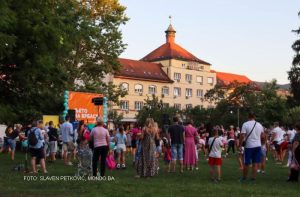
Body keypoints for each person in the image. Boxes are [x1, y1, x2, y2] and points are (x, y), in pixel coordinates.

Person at [239, 112, 264, 182]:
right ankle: (253, 178)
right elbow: (262, 136)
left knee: (246, 163)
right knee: (255, 163)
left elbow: (242, 136)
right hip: (258, 146)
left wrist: (240, 145)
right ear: (254, 117)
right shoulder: (259, 125)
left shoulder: (245, 124)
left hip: (249, 146)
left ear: (248, 116)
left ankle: (244, 178)